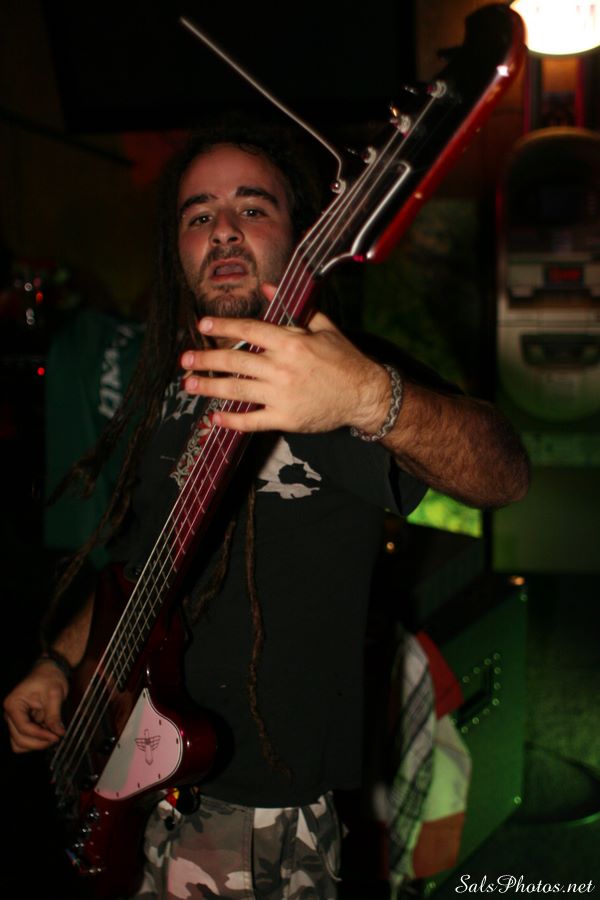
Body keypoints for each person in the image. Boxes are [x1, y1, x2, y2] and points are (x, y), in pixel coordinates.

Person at [3, 121, 529, 899]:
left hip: (260, 818)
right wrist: (60, 665)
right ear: (176, 249)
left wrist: (367, 397)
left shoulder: (342, 373)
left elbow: (504, 473)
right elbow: (136, 567)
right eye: (198, 214)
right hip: (134, 774)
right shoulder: (175, 387)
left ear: (301, 236)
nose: (222, 228)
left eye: (252, 208)